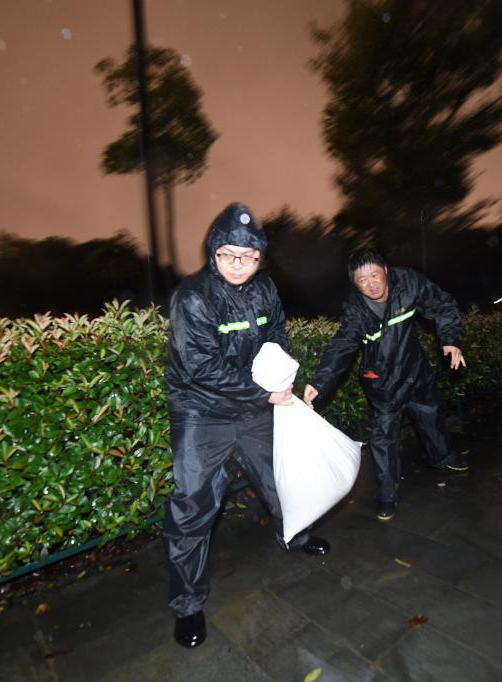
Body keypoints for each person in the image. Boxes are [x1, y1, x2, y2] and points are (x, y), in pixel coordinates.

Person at [163, 202, 330, 649]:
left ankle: (294, 534)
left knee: (281, 477)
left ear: (260, 259)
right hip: (202, 412)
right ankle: (188, 604)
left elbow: (277, 335)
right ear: (213, 252)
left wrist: (282, 374)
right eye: (229, 254)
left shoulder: (265, 290)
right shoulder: (193, 296)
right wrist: (264, 394)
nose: (239, 264)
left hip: (253, 408)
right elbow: (201, 368)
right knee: (193, 508)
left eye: (249, 256)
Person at [302, 249, 468, 522]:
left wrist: (450, 338)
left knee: (431, 416)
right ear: (355, 284)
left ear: (386, 271)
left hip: (416, 371)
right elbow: (343, 345)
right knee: (384, 437)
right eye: (362, 280)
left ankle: (443, 458)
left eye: (375, 274)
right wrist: (320, 382)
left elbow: (442, 304)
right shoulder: (356, 310)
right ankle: (387, 494)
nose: (371, 283)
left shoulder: (408, 283)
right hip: (383, 382)